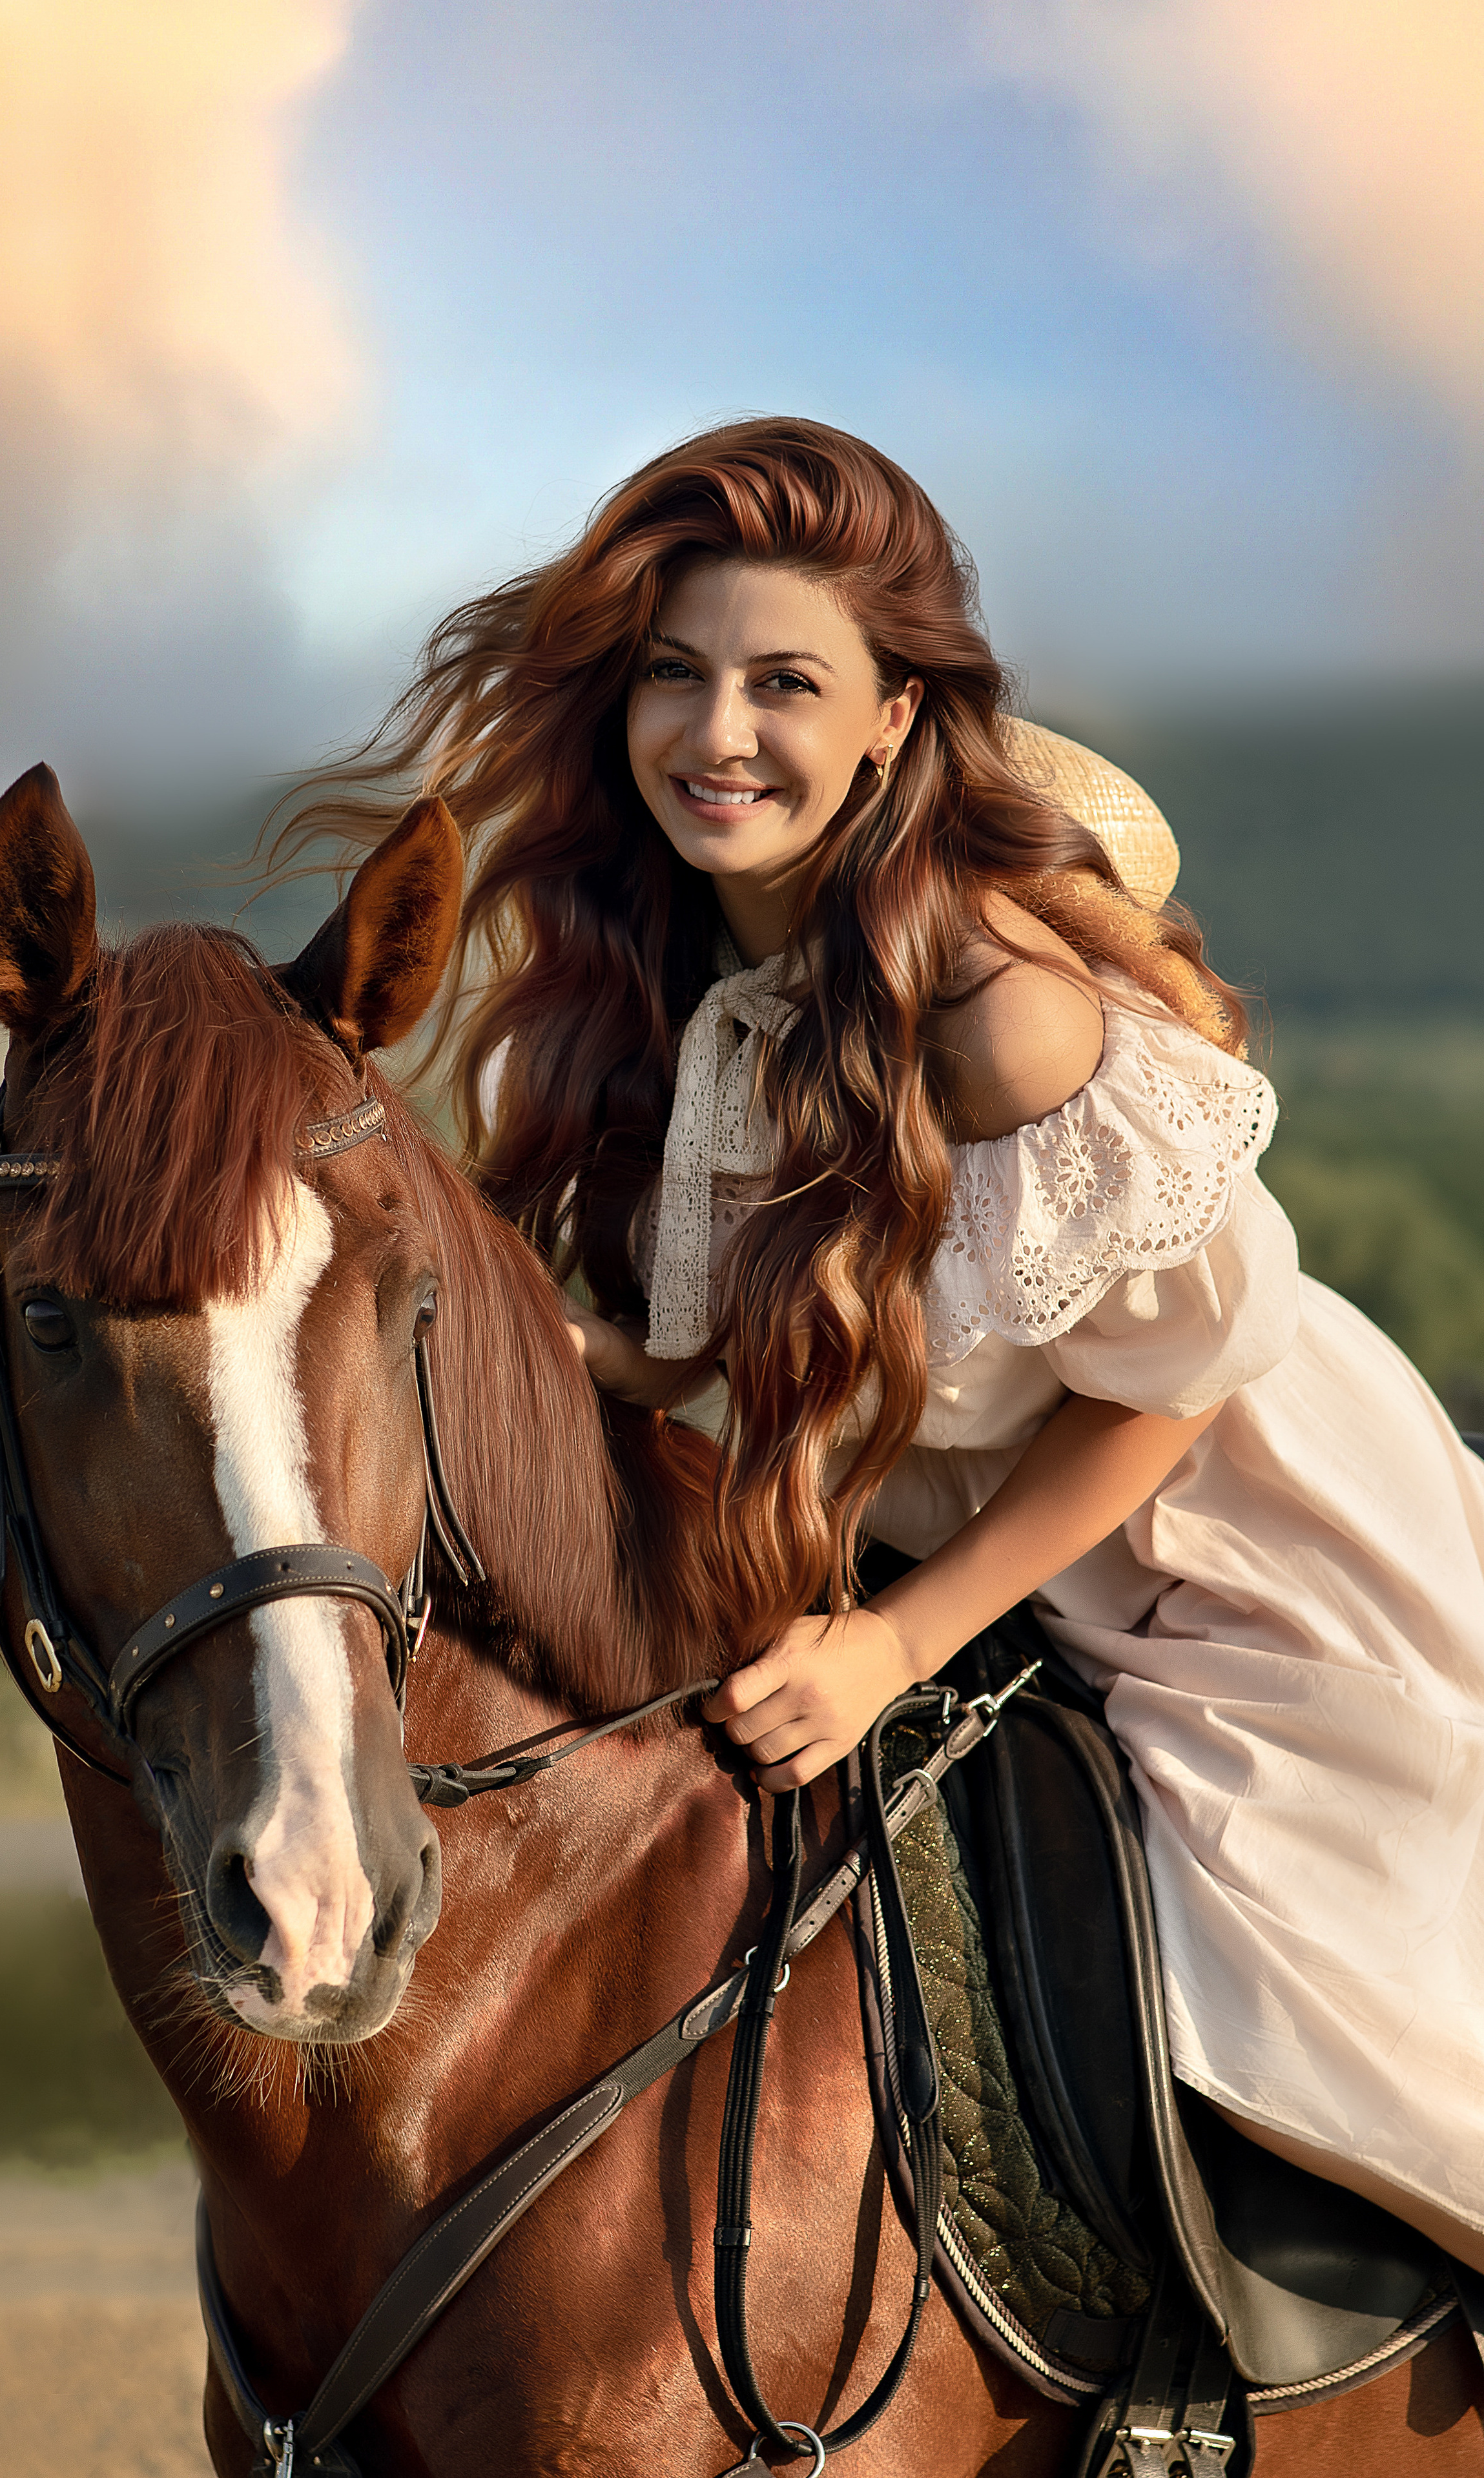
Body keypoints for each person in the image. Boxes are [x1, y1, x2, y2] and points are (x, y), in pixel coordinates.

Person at [280, 417, 1484, 2272]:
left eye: (784, 683)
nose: (718, 734)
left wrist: (895, 1647)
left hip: (1220, 1546)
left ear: (894, 720)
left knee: (1328, 2023)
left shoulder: (997, 1015)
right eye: (674, 678)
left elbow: (1164, 1402)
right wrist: (591, 1365)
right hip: (989, 1531)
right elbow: (820, 1322)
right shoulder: (698, 981)